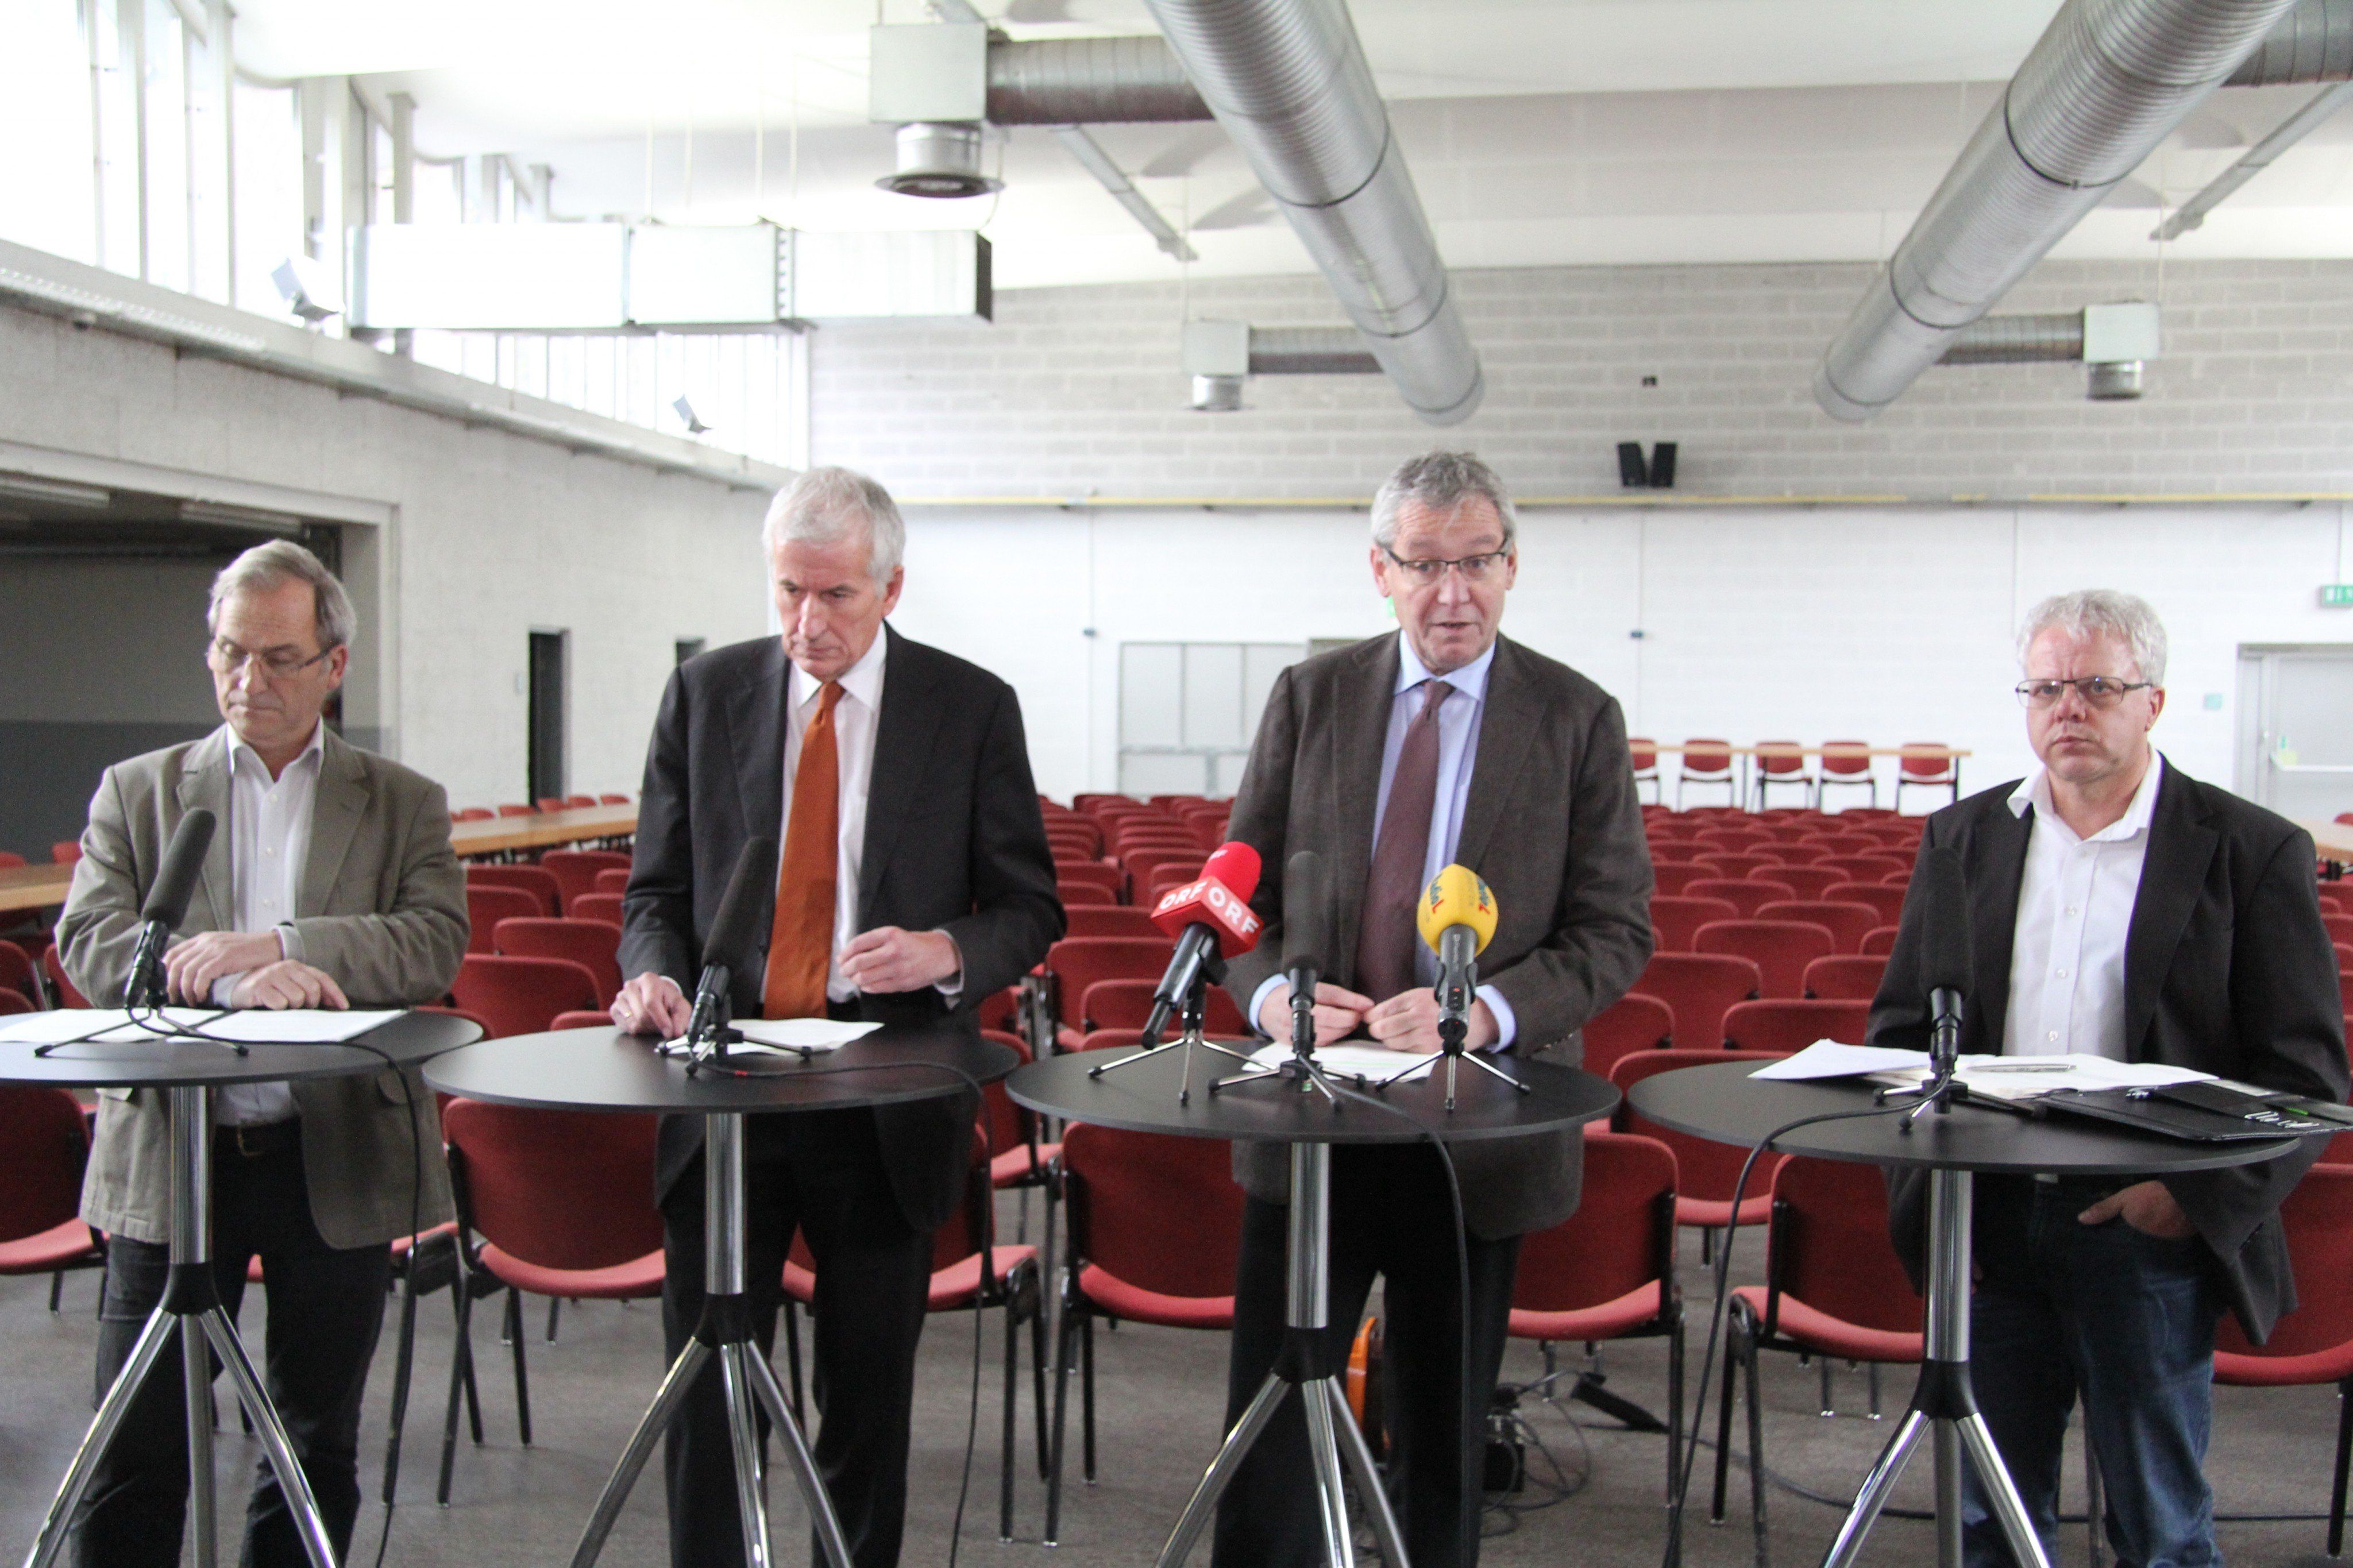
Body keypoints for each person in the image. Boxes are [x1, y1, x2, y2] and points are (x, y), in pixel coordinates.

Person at [611, 465, 1062, 1568]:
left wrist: (947, 949)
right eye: (786, 593)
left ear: (892, 587)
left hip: (883, 1088)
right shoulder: (705, 695)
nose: (807, 624)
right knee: (711, 1397)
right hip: (728, 1089)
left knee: (864, 1410)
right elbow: (654, 895)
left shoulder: (970, 708)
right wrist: (652, 973)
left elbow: (1029, 905)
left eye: (836, 598)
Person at [1212, 450, 1655, 1568]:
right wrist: (1268, 992)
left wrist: (1485, 1013)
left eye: (1475, 563)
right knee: (1273, 1414)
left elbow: (1614, 930)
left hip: (1474, 1127)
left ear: (1512, 567)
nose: (1450, 592)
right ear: (1379, 570)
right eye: (1423, 564)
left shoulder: (1575, 717)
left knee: (1442, 1432)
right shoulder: (1308, 698)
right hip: (1314, 1111)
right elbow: (1235, 894)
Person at [1873, 589, 2348, 1568]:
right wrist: (1933, 1186)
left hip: (2143, 1233)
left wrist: (2192, 1195)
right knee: (1989, 1523)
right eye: (2046, 687)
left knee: (2158, 1525)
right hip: (1990, 1227)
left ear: (2154, 701)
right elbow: (1903, 1032)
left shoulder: (2249, 850)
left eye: (2096, 685)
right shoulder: (1963, 840)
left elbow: (2306, 1077)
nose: (2068, 708)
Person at [56, 539, 465, 1567]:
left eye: (280, 657)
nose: (251, 679)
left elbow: (433, 938)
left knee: (314, 1443)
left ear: (334, 666)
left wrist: (288, 945)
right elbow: (91, 941)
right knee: (138, 1439)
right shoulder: (139, 790)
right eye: (231, 652)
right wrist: (224, 977)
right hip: (173, 1152)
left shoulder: (401, 798)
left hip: (331, 1154)